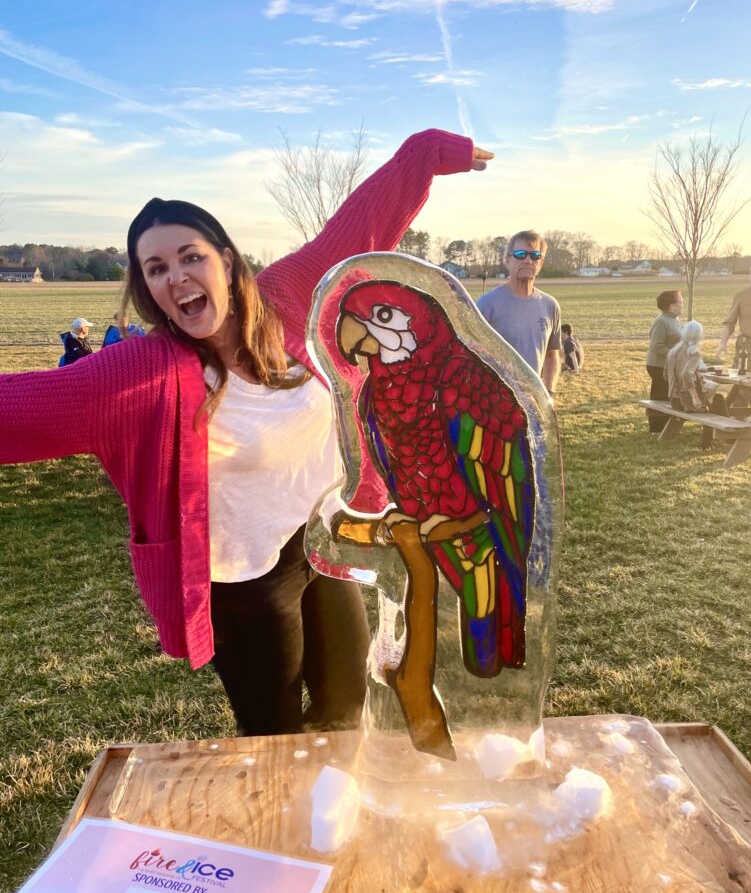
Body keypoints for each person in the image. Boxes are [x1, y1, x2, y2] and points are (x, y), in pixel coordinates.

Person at [0, 129, 493, 739]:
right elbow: (15, 409)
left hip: (319, 540)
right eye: (156, 268)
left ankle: (332, 818)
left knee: (346, 705)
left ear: (225, 262)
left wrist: (423, 155)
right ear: (147, 287)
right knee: (274, 734)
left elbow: (357, 230)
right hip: (244, 579)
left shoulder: (287, 296)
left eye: (190, 256)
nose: (176, 276)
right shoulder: (136, 374)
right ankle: (281, 825)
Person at [476, 230, 561, 394]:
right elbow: (474, 357)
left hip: (533, 404)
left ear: (541, 263)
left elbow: (552, 354)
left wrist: (549, 392)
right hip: (496, 404)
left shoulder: (550, 305)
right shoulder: (487, 305)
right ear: (507, 261)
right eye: (520, 254)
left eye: (535, 255)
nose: (528, 260)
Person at [715, 262, 751, 371]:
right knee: (741, 378)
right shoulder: (741, 296)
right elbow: (730, 323)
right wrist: (722, 344)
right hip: (748, 346)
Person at [645, 290, 683, 433]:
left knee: (668, 394)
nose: (682, 305)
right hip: (658, 365)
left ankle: (666, 424)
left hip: (671, 365)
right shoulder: (661, 321)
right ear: (671, 306)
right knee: (659, 395)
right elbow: (657, 345)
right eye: (680, 302)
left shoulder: (674, 320)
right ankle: (655, 427)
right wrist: (675, 355)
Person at [665, 321, 708, 412]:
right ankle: (731, 426)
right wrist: (695, 397)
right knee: (718, 402)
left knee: (716, 401)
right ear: (700, 336)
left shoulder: (673, 351)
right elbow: (686, 374)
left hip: (673, 400)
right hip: (686, 401)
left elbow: (665, 375)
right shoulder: (694, 353)